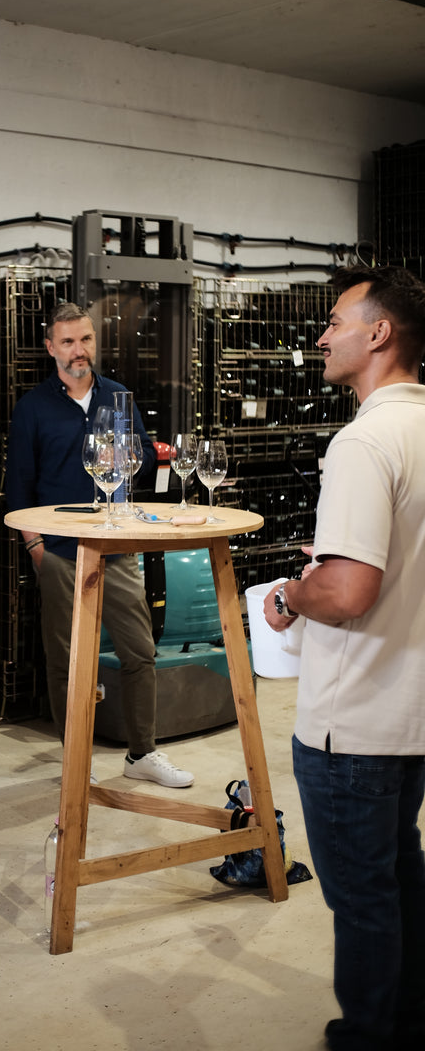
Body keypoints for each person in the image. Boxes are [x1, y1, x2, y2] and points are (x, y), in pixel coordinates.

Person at [263, 265, 425, 1051]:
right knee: (400, 876)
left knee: (362, 897)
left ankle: (368, 1036)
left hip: (353, 721)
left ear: (378, 333)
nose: (322, 337)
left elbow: (352, 590)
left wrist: (297, 592)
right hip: (411, 712)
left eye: (334, 322)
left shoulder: (363, 440)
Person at [6, 301, 193, 788]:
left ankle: (142, 754)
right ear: (50, 348)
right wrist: (35, 548)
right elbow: (19, 488)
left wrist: (133, 455)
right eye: (68, 341)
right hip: (59, 551)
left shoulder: (118, 397)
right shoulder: (32, 409)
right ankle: (76, 761)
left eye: (85, 339)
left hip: (116, 544)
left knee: (140, 651)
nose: (79, 350)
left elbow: (146, 458)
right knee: (67, 661)